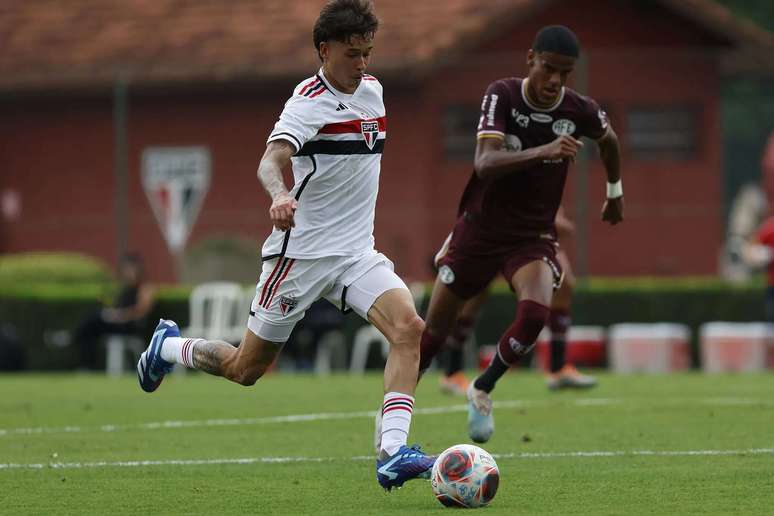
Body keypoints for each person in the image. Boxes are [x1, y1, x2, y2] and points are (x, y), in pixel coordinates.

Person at [135, 0, 434, 491]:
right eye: (353, 54)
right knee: (246, 368)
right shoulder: (307, 101)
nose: (363, 65)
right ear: (325, 49)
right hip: (300, 256)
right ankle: (169, 346)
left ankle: (393, 453)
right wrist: (279, 196)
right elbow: (271, 160)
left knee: (409, 328)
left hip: (357, 253)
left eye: (368, 53)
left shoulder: (374, 92)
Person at [415, 25, 623, 444]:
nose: (554, 81)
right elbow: (484, 163)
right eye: (548, 68)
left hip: (531, 237)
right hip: (479, 230)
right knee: (431, 335)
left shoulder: (578, 109)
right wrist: (545, 151)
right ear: (531, 59)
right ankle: (392, 415)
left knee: (534, 315)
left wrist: (614, 192)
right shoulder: (503, 95)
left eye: (564, 73)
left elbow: (610, 139)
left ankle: (482, 388)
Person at [436, 207, 597, 395]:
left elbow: (554, 215)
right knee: (475, 294)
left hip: (532, 239)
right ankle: (452, 372)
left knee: (564, 283)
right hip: (498, 232)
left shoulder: (551, 179)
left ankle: (558, 368)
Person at [73, 253, 155, 370]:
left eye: (130, 269)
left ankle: (72, 338)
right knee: (92, 326)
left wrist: (121, 316)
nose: (128, 272)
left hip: (130, 326)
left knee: (93, 320)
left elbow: (142, 310)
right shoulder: (125, 288)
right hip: (118, 323)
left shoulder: (145, 288)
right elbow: (118, 306)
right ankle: (86, 364)